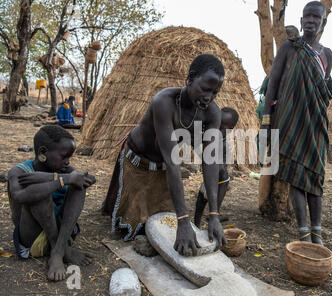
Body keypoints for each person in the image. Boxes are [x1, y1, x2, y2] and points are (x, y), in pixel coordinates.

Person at [102, 54, 228, 256]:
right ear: (190, 78)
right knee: (133, 227)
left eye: (215, 92)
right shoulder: (164, 102)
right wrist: (183, 220)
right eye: (205, 89)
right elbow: (172, 162)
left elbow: (210, 161)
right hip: (139, 160)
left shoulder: (212, 113)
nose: (208, 97)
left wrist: (214, 214)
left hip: (162, 165)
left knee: (163, 224)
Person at [260, 1, 332, 245]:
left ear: (324, 21)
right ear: (301, 20)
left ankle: (317, 232)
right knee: (295, 174)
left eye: (316, 17)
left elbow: (322, 91)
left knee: (315, 176)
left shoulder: (327, 55)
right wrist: (267, 120)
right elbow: (273, 83)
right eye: (307, 16)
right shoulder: (289, 48)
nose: (311, 21)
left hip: (315, 123)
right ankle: (304, 232)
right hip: (290, 120)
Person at [7, 125, 96, 281]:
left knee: (79, 186)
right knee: (37, 192)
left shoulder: (63, 169)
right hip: (33, 238)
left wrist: (53, 177)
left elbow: (89, 178)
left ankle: (57, 250)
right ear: (42, 153)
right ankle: (59, 249)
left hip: (64, 233)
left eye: (70, 157)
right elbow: (20, 196)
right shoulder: (19, 171)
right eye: (64, 156)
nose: (68, 162)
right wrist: (62, 180)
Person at [194, 107, 239, 228]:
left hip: (221, 180)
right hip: (210, 177)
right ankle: (196, 224)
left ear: (230, 130)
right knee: (201, 201)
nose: (219, 129)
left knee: (214, 204)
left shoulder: (223, 144)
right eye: (218, 124)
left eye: (223, 128)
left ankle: (213, 221)